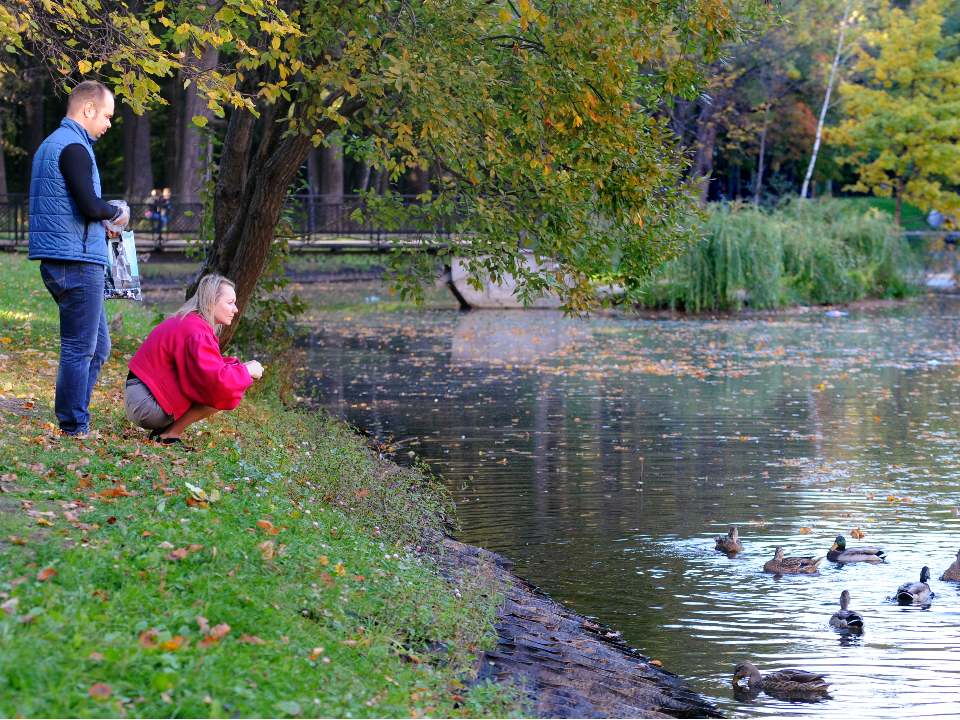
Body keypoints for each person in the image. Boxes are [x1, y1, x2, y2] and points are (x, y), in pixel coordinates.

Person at [29, 80, 130, 436]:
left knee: (99, 346)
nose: (108, 123)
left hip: (64, 256)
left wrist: (101, 219)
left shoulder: (54, 144)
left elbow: (70, 205)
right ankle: (74, 426)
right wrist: (116, 212)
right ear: (88, 110)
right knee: (79, 348)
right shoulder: (73, 146)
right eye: (107, 115)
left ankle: (76, 416)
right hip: (74, 261)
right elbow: (89, 205)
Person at [124, 274, 263, 445]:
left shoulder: (191, 322)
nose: (235, 309)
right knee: (223, 386)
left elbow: (212, 368)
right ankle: (170, 435)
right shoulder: (196, 331)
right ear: (211, 302)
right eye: (230, 303)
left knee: (229, 377)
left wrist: (239, 368)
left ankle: (165, 431)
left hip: (140, 398)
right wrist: (246, 370)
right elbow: (218, 381)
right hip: (146, 405)